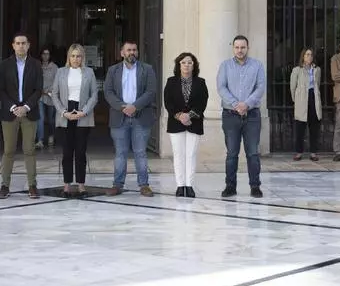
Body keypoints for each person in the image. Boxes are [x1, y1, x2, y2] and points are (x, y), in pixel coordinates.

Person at [103, 40, 158, 197]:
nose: (132, 52)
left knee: (140, 152)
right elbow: (108, 92)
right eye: (128, 50)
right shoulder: (113, 70)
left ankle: (144, 185)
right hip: (119, 117)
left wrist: (135, 106)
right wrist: (122, 107)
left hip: (141, 117)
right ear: (122, 53)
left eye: (134, 50)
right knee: (120, 153)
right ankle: (117, 184)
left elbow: (151, 91)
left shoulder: (147, 69)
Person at [217, 35, 267, 198]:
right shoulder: (225, 66)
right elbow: (221, 87)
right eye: (237, 47)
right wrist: (236, 104)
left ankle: (255, 186)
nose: (240, 50)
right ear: (233, 48)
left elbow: (260, 87)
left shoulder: (257, 65)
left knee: (253, 153)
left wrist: (246, 104)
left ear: (248, 48)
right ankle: (230, 186)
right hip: (230, 115)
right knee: (232, 153)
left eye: (243, 47)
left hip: (252, 115)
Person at [0, 32, 42, 199]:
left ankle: (32, 185)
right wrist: (14, 107)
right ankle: (4, 185)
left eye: (24, 43)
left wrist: (26, 107)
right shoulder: (4, 65)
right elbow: (0, 89)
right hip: (10, 113)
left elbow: (38, 89)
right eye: (18, 43)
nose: (21, 46)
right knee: (8, 150)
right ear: (13, 46)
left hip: (29, 112)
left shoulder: (36, 65)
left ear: (28, 45)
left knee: (29, 150)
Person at [50, 43, 98, 196]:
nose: (75, 59)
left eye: (78, 56)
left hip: (83, 113)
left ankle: (81, 185)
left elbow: (94, 95)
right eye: (73, 56)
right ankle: (67, 185)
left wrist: (83, 111)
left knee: (81, 152)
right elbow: (54, 94)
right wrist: (64, 112)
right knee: (67, 152)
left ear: (82, 57)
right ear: (68, 57)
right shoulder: (61, 72)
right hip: (66, 114)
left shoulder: (89, 72)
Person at [164, 51, 208, 198]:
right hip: (175, 124)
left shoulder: (200, 82)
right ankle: (180, 185)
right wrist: (180, 116)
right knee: (178, 154)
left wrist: (189, 115)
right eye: (183, 62)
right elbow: (168, 102)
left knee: (191, 154)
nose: (186, 65)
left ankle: (189, 186)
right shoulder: (171, 82)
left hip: (194, 123)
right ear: (179, 65)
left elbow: (202, 103)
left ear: (194, 65)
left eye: (190, 62)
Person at [289, 48, 321, 162]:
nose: (309, 56)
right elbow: (292, 87)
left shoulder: (317, 69)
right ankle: (299, 152)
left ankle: (313, 152)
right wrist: (296, 100)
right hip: (302, 99)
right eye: (307, 54)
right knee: (300, 128)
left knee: (314, 127)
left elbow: (318, 84)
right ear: (303, 56)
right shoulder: (297, 70)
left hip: (313, 98)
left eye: (311, 55)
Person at [38, 47, 58, 150]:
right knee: (40, 118)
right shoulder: (38, 66)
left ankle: (51, 136)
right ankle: (40, 140)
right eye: (44, 54)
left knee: (50, 119)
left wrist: (49, 91)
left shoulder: (54, 67)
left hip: (51, 96)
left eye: (47, 54)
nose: (45, 56)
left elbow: (57, 81)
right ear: (41, 55)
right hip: (40, 96)